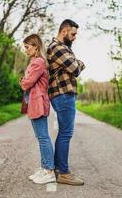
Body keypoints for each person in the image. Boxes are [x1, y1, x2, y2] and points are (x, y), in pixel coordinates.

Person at [46, 19, 85, 186]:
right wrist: (79, 63)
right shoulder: (57, 47)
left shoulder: (64, 49)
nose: (75, 37)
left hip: (63, 94)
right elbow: (76, 68)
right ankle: (63, 172)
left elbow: (74, 66)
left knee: (64, 132)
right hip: (63, 94)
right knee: (66, 133)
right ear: (64, 32)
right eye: (73, 34)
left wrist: (76, 63)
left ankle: (58, 168)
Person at [19, 34, 56, 184]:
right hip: (35, 103)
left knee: (43, 137)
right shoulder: (35, 61)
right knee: (40, 137)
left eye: (27, 47)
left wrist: (22, 81)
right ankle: (44, 167)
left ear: (36, 46)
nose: (26, 50)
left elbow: (26, 83)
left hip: (38, 102)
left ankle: (49, 170)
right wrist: (25, 81)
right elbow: (27, 82)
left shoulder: (38, 62)